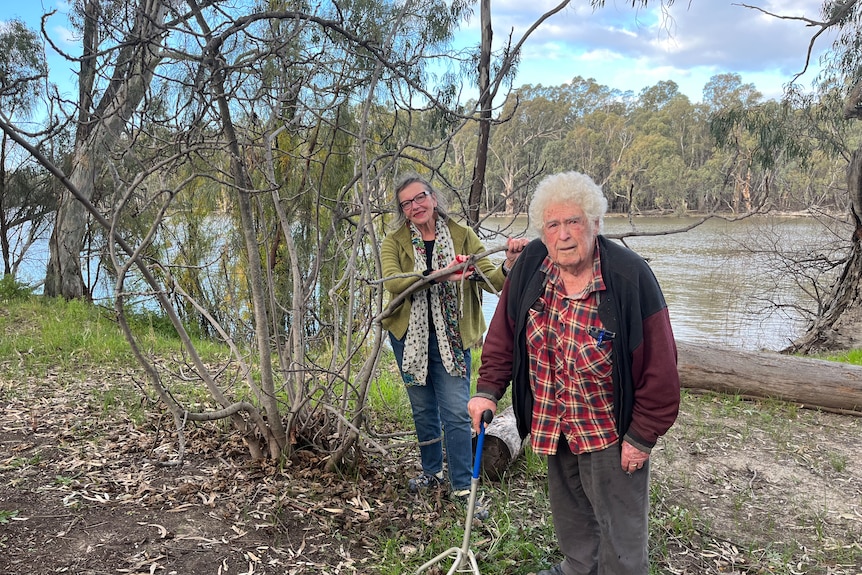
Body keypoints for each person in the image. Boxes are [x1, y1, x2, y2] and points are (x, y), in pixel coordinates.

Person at [467, 171, 680, 574]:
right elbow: (503, 333)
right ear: (543, 231)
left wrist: (642, 435)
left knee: (621, 536)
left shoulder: (629, 277)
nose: (563, 234)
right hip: (553, 423)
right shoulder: (531, 264)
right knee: (573, 523)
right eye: (553, 224)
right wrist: (487, 389)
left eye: (573, 222)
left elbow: (661, 365)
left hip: (610, 434)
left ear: (595, 224)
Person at [381, 173, 529, 505]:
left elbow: (492, 278)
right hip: (410, 340)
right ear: (402, 210)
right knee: (422, 410)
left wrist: (509, 265)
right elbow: (393, 282)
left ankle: (462, 485)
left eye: (420, 197)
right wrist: (441, 274)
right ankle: (432, 471)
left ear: (433, 198)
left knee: (456, 413)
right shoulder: (394, 241)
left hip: (451, 338)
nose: (415, 206)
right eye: (406, 203)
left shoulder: (462, 235)